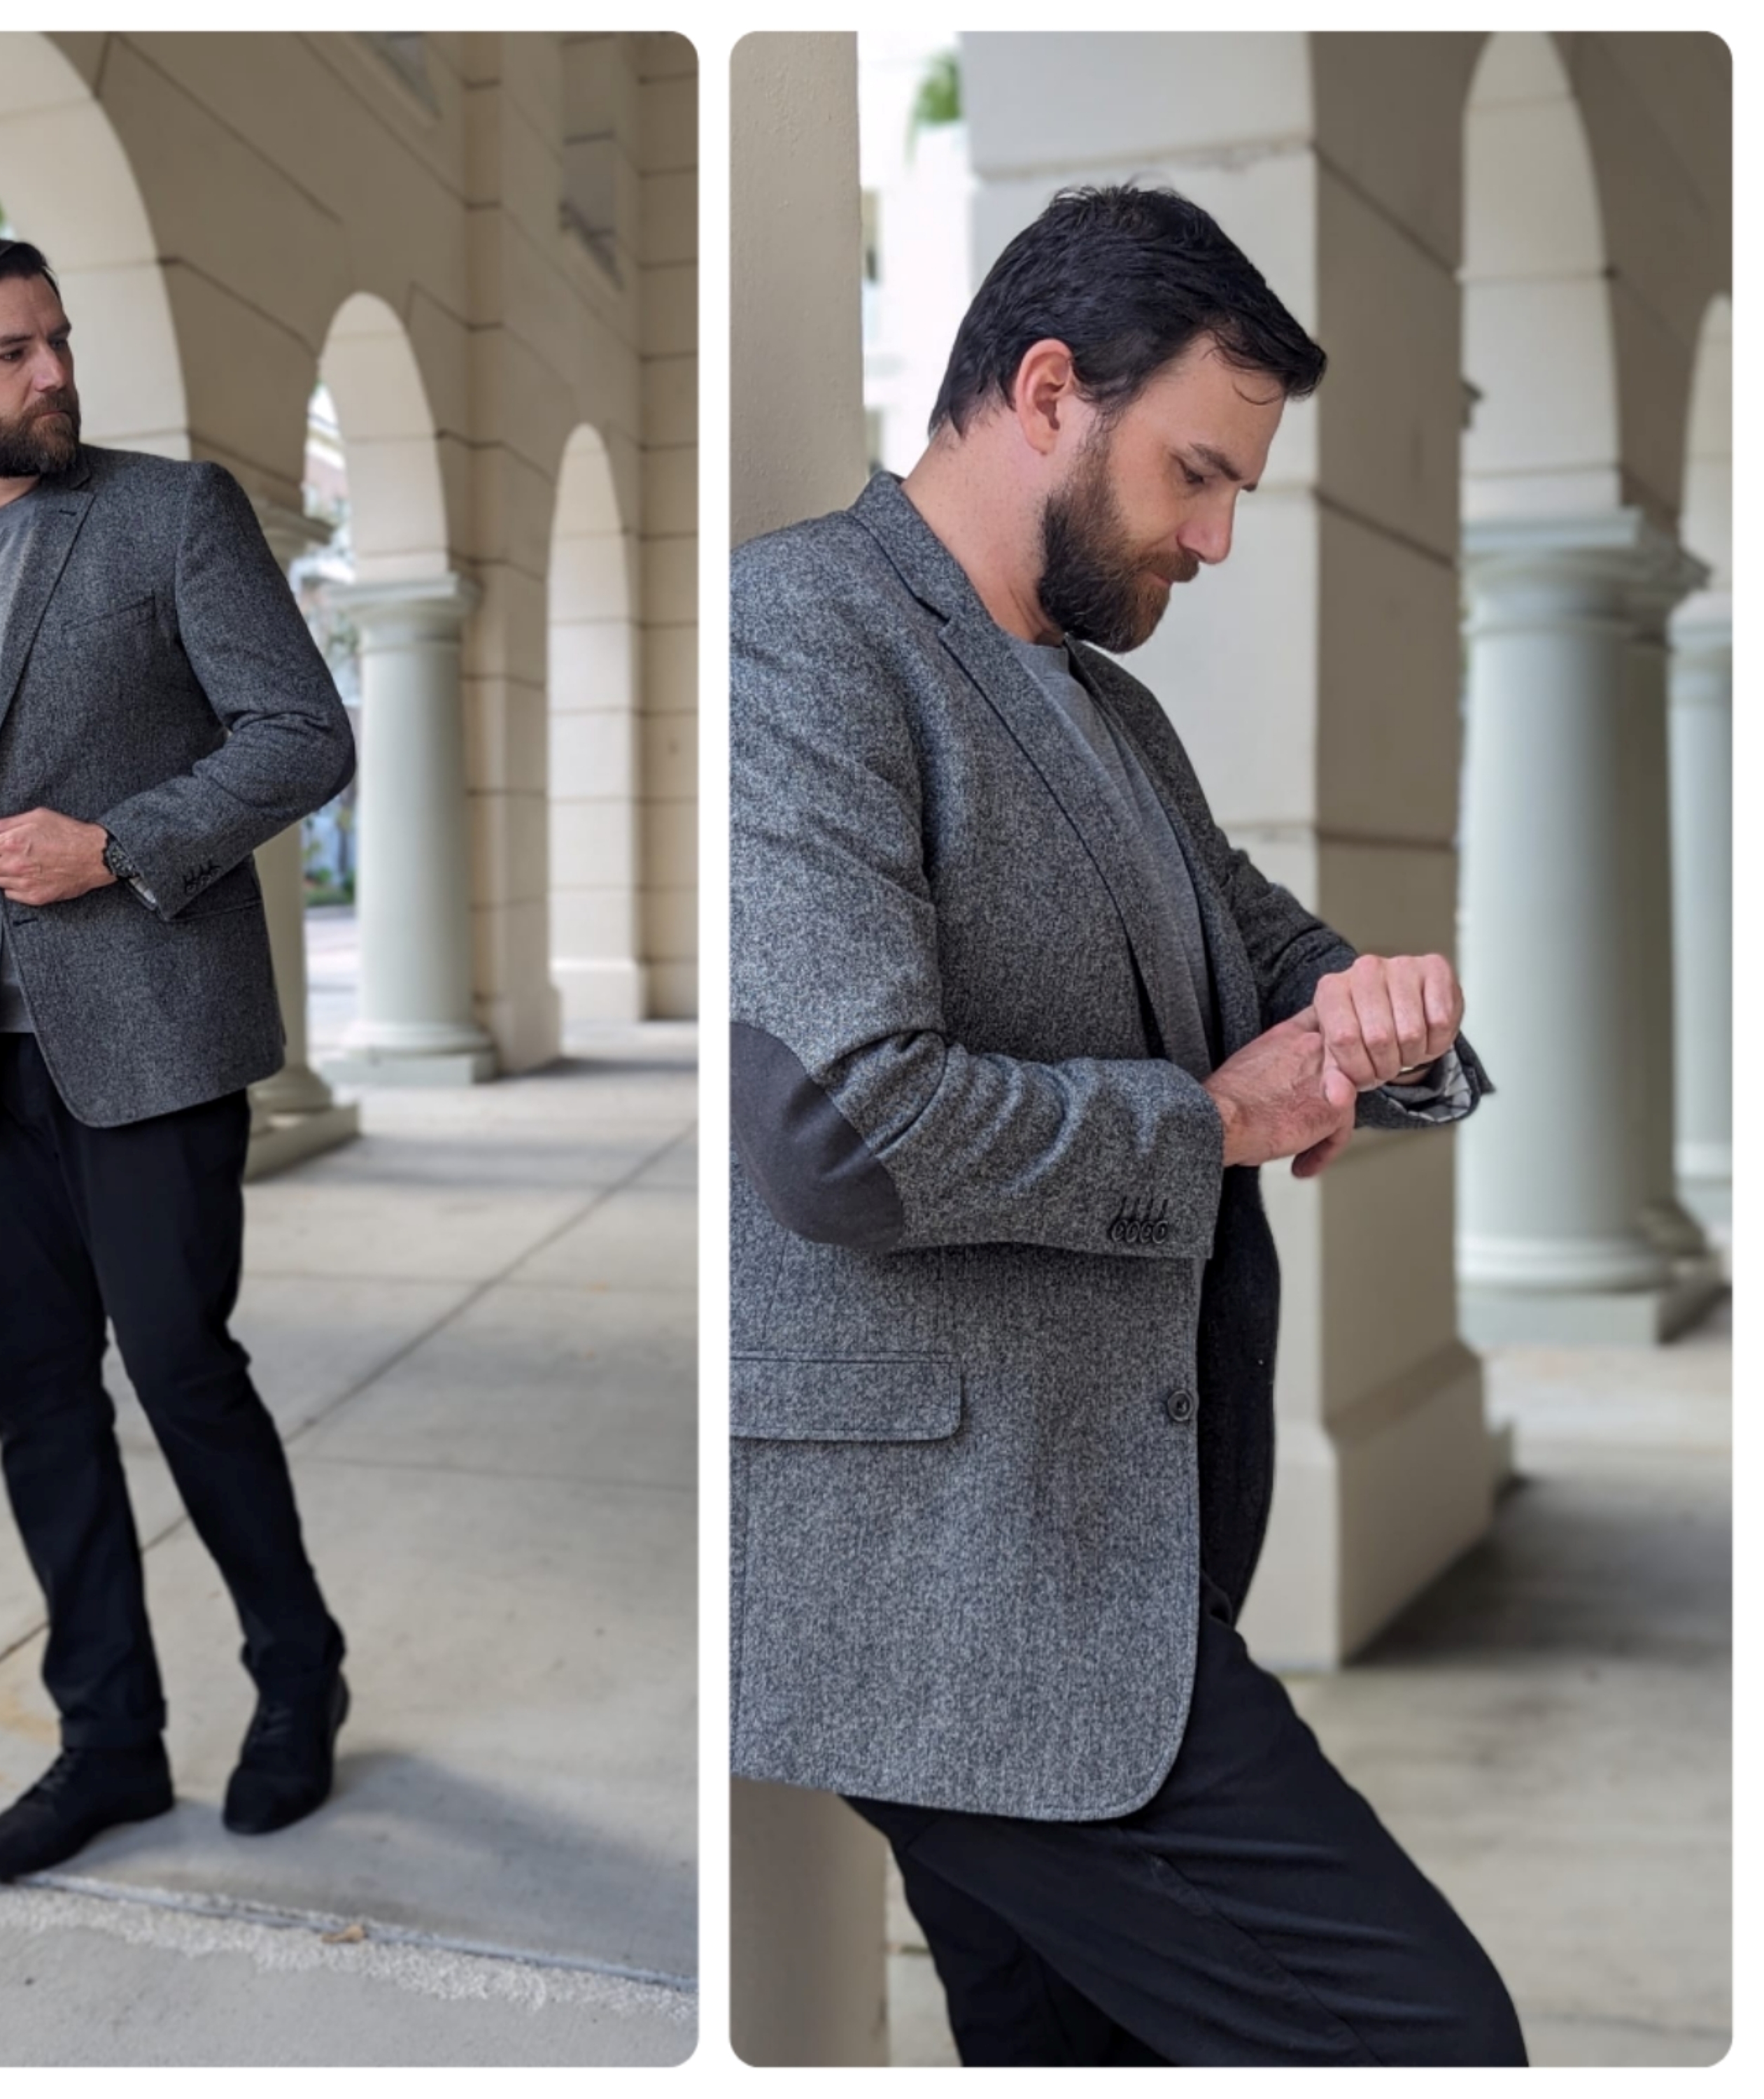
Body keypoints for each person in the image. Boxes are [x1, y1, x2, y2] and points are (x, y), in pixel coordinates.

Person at [728, 185, 1526, 2065]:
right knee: (1432, 2039)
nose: (1219, 536)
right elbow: (844, 1130)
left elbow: (1281, 972)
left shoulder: (1109, 712)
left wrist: (1391, 1028)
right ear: (1048, 389)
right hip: (954, 1600)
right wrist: (1219, 1122)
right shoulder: (804, 631)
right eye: (1196, 473)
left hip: (1106, 1559)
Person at [0, 236, 355, 1883]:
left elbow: (303, 732)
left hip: (154, 1040)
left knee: (183, 1374)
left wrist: (118, 842)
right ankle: (108, 1741)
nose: (52, 375)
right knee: (39, 1406)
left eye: (56, 342)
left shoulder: (168, 514)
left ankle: (295, 1678)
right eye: (9, 356)